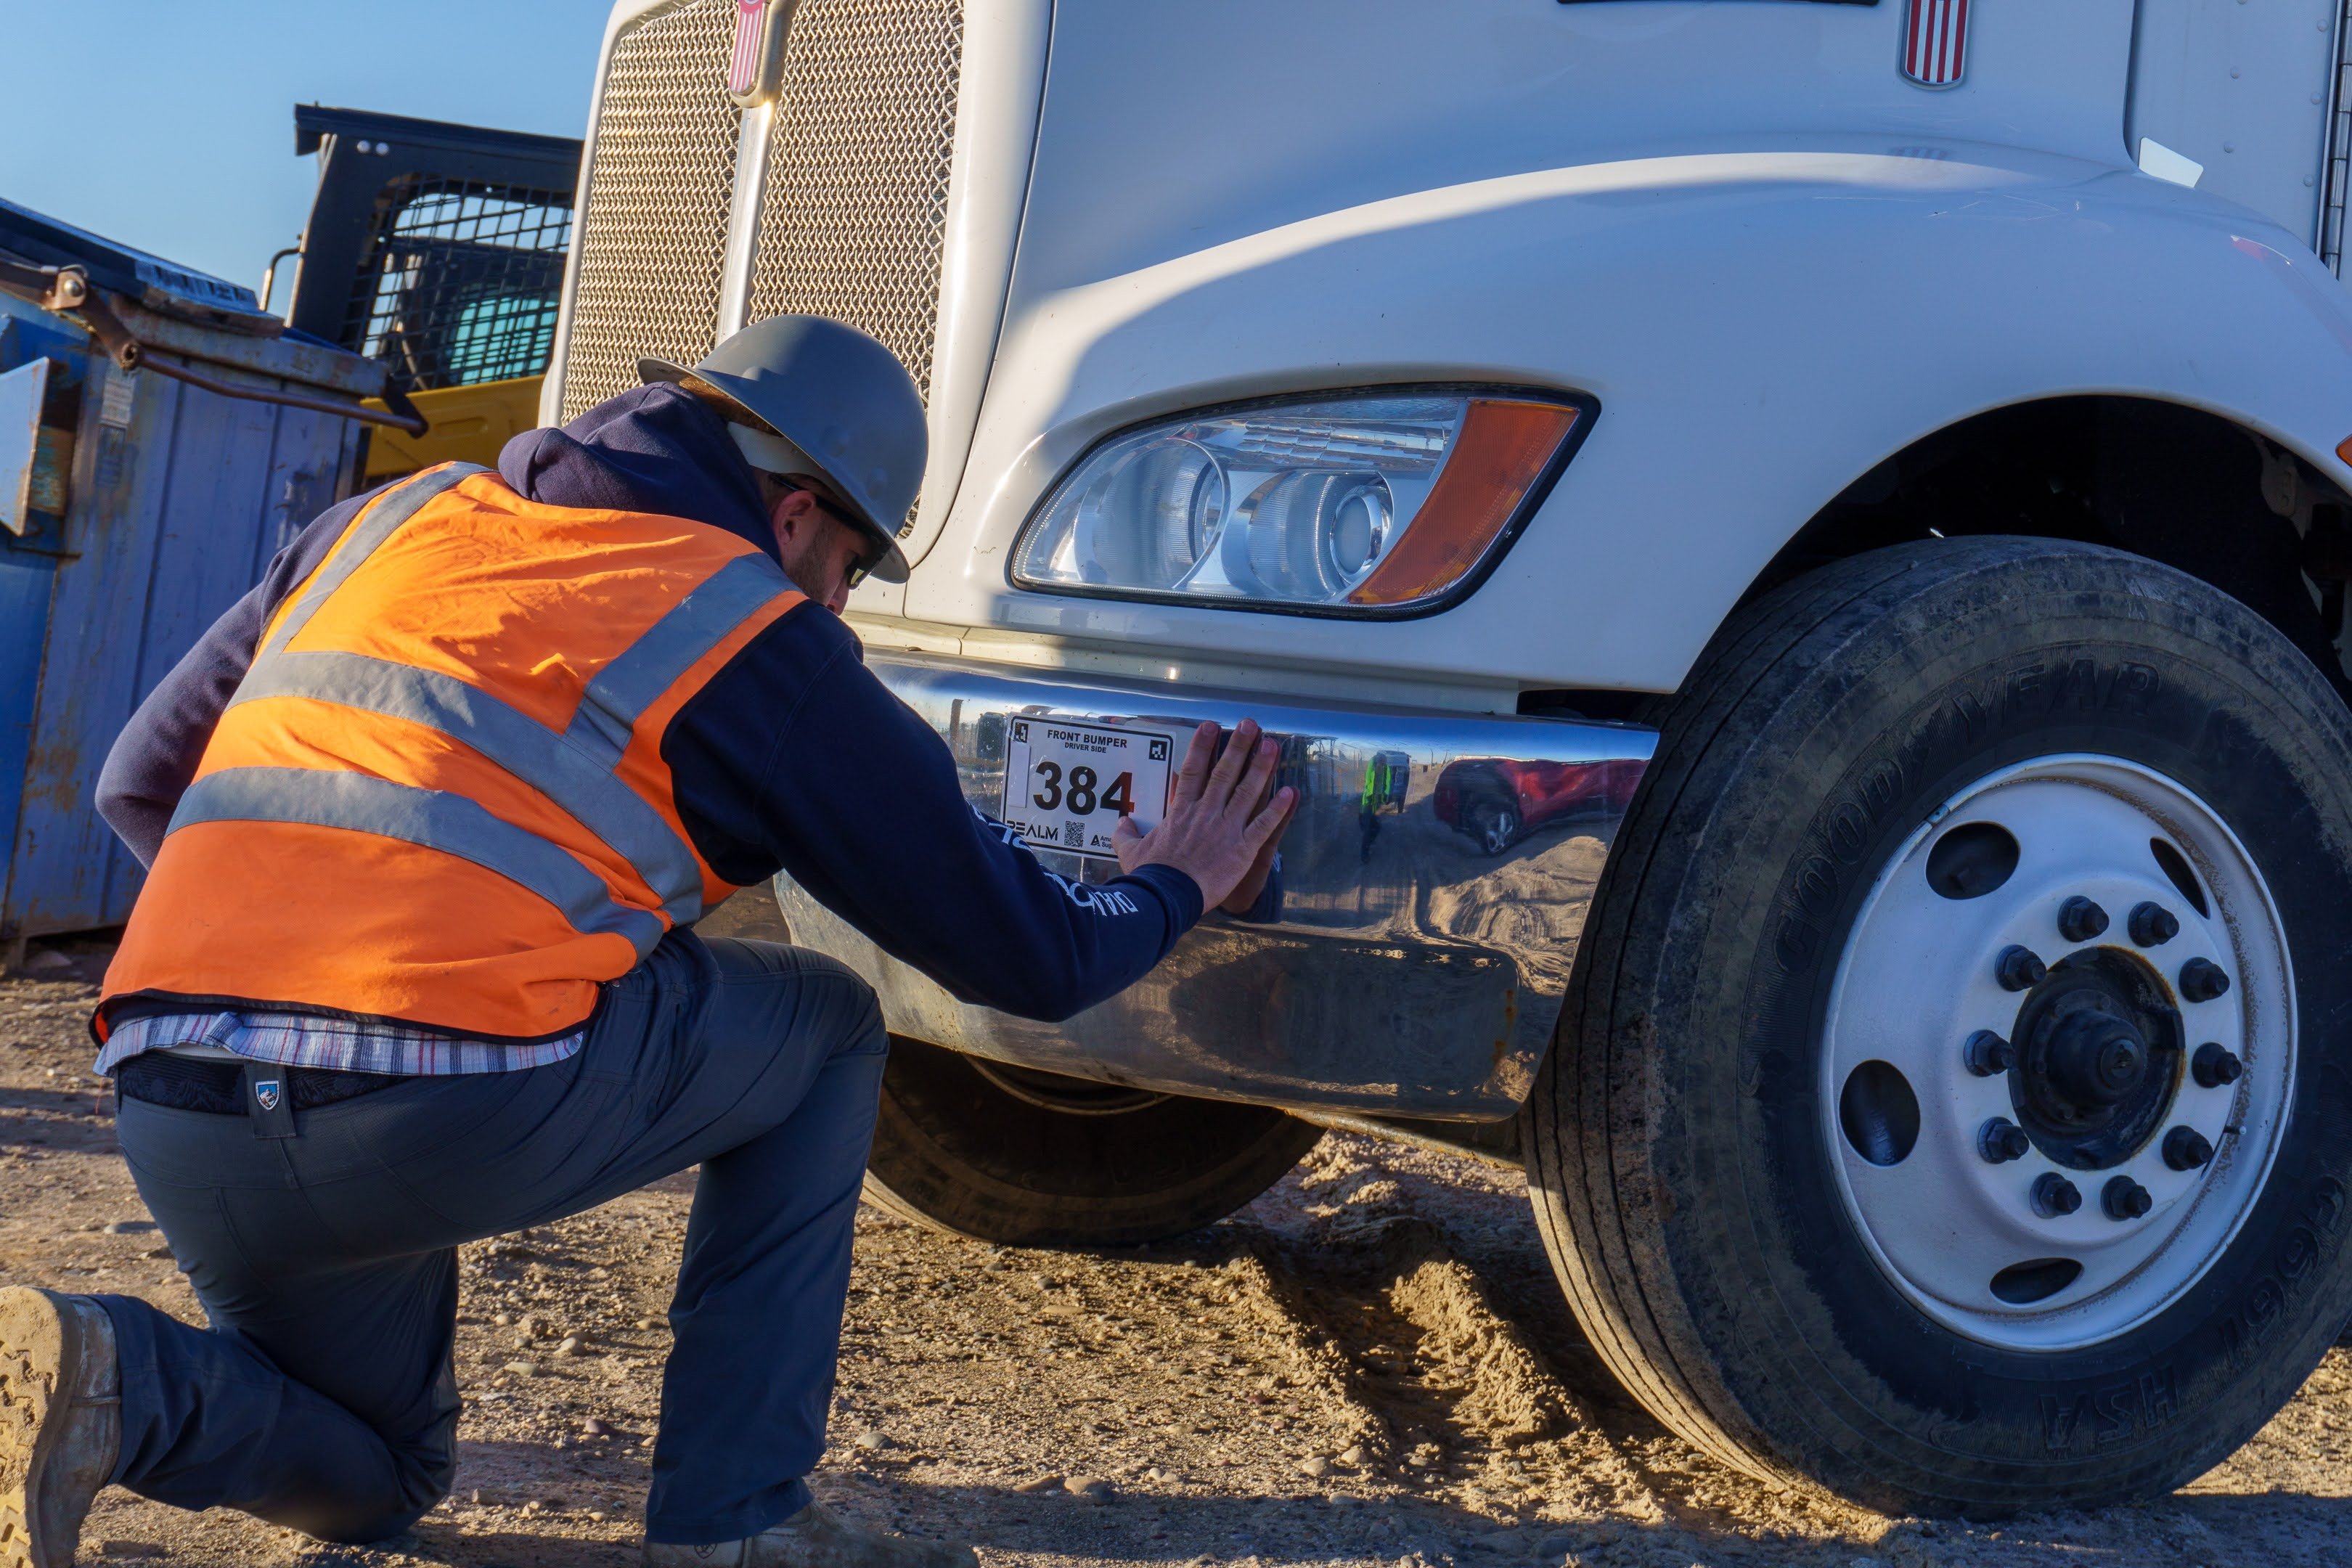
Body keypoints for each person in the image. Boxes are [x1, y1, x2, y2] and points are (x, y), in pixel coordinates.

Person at [0, 316, 1296, 1568]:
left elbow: (140, 781)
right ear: (796, 517)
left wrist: (304, 967)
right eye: (850, 570)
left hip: (175, 1100)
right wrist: (1180, 879)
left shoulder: (389, 522)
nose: (839, 606)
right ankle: (737, 1519)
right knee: (829, 1026)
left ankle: (123, 1380)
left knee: (382, 1480)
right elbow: (1033, 961)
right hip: (428, 1111)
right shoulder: (753, 633)